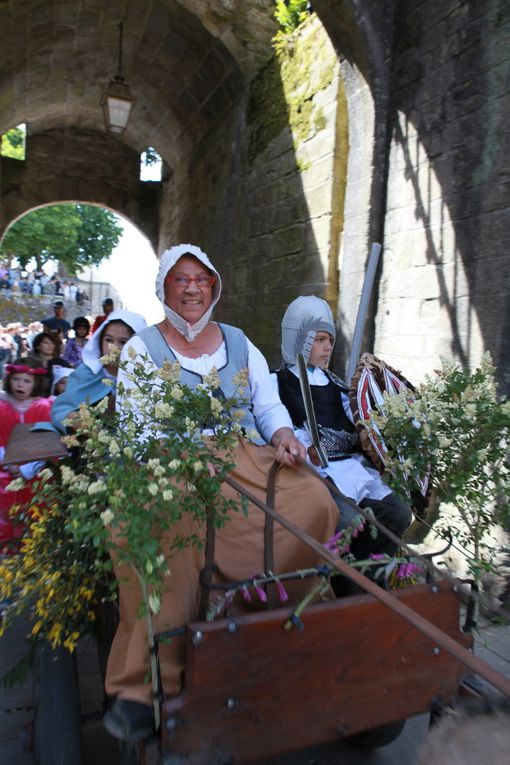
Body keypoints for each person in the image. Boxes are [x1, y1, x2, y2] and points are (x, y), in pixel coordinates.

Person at [102, 244, 340, 743]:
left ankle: (281, 620)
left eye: (201, 279)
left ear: (214, 287)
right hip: (169, 462)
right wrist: (183, 456)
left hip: (241, 456)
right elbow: (136, 428)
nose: (192, 287)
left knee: (315, 501)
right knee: (173, 525)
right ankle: (148, 683)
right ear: (165, 290)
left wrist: (283, 437)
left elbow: (267, 406)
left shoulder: (238, 341)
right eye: (180, 280)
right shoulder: (143, 347)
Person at [274, 295, 412, 562]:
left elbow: (359, 423)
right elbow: (274, 423)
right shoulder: (275, 383)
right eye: (319, 340)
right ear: (298, 338)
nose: (328, 348)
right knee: (346, 519)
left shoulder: (339, 387)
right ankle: (336, 581)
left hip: (351, 468)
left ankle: (369, 575)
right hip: (311, 471)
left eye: (330, 341)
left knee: (398, 513)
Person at [50, 309, 147, 434]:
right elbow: (60, 410)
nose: (114, 348)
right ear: (100, 340)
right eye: (108, 340)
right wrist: (74, 419)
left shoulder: (146, 378)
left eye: (123, 342)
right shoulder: (87, 372)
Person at [0, 360, 53, 552]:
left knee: (37, 514)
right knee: (6, 516)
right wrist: (9, 463)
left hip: (36, 477)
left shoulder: (43, 407)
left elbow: (47, 442)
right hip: (5, 476)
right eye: (16, 379)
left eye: (27, 381)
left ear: (36, 383)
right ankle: (8, 558)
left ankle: (37, 555)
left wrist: (28, 469)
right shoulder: (1, 407)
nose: (20, 385)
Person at [32, 331, 71, 397]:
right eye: (46, 342)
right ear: (38, 346)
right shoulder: (31, 362)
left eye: (52, 343)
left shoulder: (62, 363)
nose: (50, 346)